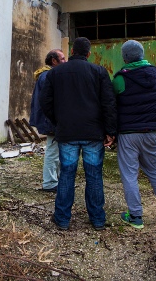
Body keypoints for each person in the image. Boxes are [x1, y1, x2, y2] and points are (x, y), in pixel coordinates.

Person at [41, 37, 117, 231]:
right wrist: (110, 131)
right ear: (88, 54)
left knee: (67, 174)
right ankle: (98, 219)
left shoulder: (55, 73)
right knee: (94, 175)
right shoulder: (99, 71)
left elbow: (45, 102)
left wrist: (59, 121)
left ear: (72, 51)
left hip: (67, 132)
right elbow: (108, 103)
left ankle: (63, 218)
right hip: (93, 132)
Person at [113, 40, 156, 229]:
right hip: (150, 132)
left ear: (125, 57)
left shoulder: (120, 78)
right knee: (155, 171)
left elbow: (112, 101)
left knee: (129, 174)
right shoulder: (153, 73)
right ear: (141, 55)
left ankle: (135, 216)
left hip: (128, 133)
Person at [29, 49, 65, 192]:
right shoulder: (48, 76)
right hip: (50, 120)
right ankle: (50, 183)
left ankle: (53, 181)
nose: (65, 61)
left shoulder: (44, 75)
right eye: (62, 59)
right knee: (53, 151)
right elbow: (50, 101)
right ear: (54, 61)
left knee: (55, 150)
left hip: (48, 119)